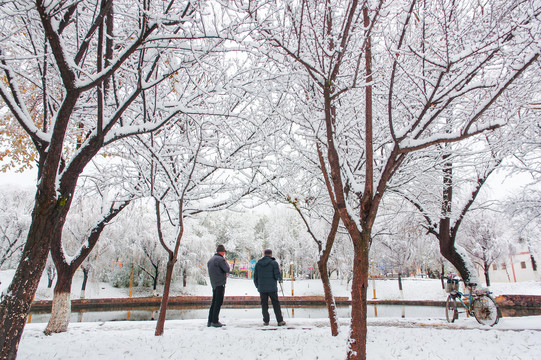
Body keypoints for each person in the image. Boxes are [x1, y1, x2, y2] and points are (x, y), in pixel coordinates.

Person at [253, 249, 285, 326]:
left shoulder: (258, 264)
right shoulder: (274, 263)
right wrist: (280, 280)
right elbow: (277, 274)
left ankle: (266, 320)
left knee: (264, 304)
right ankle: (279, 320)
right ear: (271, 254)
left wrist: (258, 286)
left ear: (264, 254)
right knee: (275, 303)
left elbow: (255, 277)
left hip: (262, 288)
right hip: (272, 287)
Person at [207, 244, 230, 327]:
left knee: (214, 302)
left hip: (214, 283)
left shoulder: (211, 260)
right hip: (220, 283)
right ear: (222, 252)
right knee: (218, 302)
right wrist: (225, 261)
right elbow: (227, 269)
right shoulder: (220, 260)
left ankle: (210, 320)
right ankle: (215, 321)